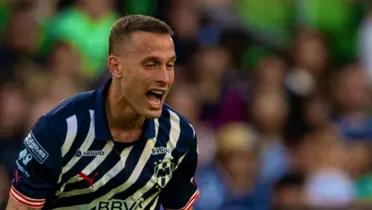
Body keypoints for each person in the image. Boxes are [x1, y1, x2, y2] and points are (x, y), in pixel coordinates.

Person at [6, 15, 200, 210]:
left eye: (170, 65)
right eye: (151, 65)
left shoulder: (179, 135)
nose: (165, 78)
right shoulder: (60, 129)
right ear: (116, 66)